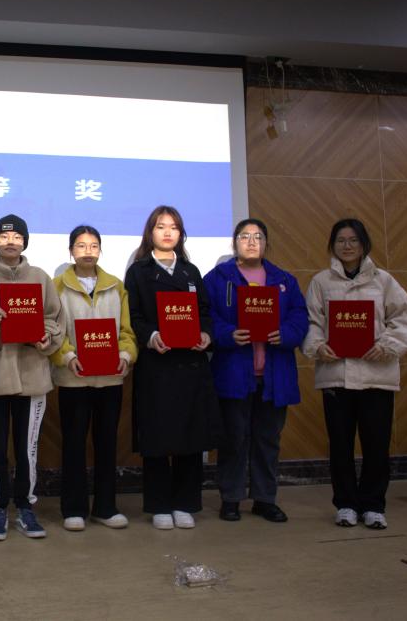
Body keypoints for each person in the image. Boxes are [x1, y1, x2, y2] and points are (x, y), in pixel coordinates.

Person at [302, 219, 407, 530]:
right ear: (332, 245)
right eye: (341, 240)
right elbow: (311, 322)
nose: (347, 246)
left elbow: (406, 320)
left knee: (376, 444)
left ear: (364, 243)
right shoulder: (321, 282)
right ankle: (345, 504)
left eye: (353, 240)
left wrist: (388, 345)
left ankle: (373, 505)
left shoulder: (384, 281)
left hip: (376, 375)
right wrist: (317, 346)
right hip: (336, 375)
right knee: (340, 445)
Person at [203, 218, 308, 523]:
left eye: (258, 237)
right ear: (234, 242)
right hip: (234, 372)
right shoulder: (217, 278)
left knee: (268, 439)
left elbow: (300, 317)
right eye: (244, 236)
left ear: (266, 243)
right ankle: (231, 498)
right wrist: (227, 334)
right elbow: (205, 316)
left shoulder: (283, 280)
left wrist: (285, 334)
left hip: (274, 374)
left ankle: (265, 498)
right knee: (233, 439)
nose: (251, 242)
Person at [0, 214, 64, 541]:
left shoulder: (40, 277)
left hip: (33, 378)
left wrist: (46, 337)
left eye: (17, 237)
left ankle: (25, 505)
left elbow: (55, 319)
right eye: (4, 237)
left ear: (25, 242)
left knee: (27, 451)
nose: (11, 242)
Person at [124, 205, 221, 530]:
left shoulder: (191, 272)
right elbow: (133, 317)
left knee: (190, 436)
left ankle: (185, 503)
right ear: (150, 232)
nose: (167, 232)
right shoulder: (138, 272)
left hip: (191, 365)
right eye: (160, 226)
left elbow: (204, 312)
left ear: (181, 233)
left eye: (174, 227)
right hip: (157, 365)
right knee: (157, 436)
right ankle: (159, 505)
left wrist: (205, 334)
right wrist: (151, 337)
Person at [50, 225, 138, 531]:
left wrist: (125, 356)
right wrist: (68, 356)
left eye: (93, 245)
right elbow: (54, 330)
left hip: (110, 380)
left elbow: (127, 332)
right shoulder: (57, 286)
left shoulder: (116, 286)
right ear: (70, 250)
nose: (88, 251)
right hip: (73, 379)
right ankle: (73, 509)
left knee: (107, 445)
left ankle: (105, 507)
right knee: (74, 445)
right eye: (81, 245)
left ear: (100, 250)